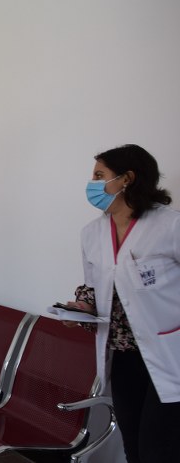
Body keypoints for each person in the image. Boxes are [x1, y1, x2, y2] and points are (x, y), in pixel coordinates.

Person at [64, 144, 180, 463]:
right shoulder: (92, 233)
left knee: (160, 449)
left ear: (127, 179)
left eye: (99, 175)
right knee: (133, 445)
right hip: (123, 355)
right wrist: (81, 308)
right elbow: (93, 287)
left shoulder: (170, 226)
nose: (92, 184)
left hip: (170, 354)